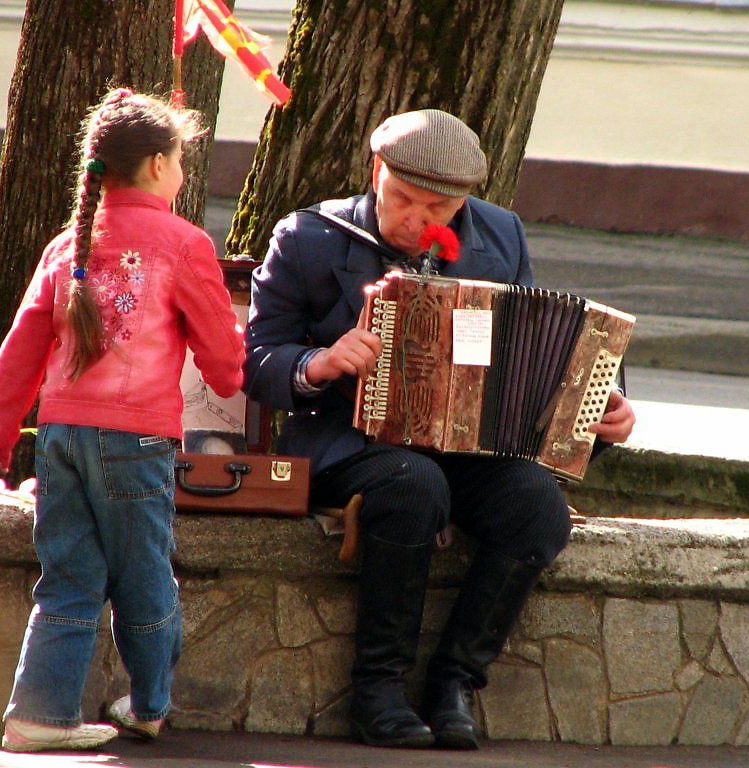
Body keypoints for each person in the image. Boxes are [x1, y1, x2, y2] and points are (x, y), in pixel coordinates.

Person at [243, 108, 635, 750]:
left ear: (465, 200)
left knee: (537, 508)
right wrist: (319, 362)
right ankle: (377, 691)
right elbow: (256, 360)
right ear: (377, 173)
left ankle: (453, 682)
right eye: (402, 200)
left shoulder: (502, 234)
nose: (418, 221)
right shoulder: (310, 237)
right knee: (411, 481)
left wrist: (605, 404)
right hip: (348, 438)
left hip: (468, 444)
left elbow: (533, 341)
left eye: (440, 208)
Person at [0, 87, 245, 753]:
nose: (181, 171)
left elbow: (21, 350)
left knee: (68, 575)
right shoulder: (183, 242)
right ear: (154, 165)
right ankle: (148, 704)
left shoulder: (70, 244)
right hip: (137, 440)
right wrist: (233, 376)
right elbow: (221, 347)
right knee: (145, 573)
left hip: (59, 436)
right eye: (179, 159)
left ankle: (38, 713)